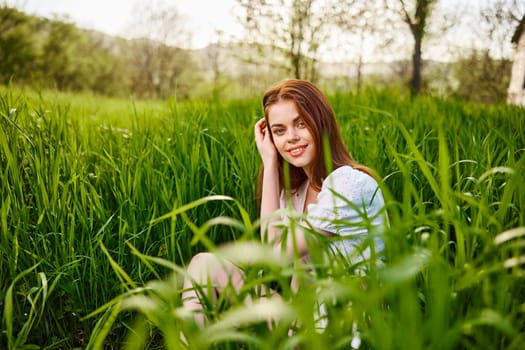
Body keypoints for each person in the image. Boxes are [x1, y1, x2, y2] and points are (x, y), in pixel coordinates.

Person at [181, 79, 387, 327]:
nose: (291, 137)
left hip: (345, 328)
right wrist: (269, 163)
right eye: (279, 130)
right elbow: (272, 245)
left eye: (300, 124)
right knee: (204, 265)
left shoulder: (348, 184)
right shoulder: (296, 193)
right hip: (301, 321)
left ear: (321, 123)